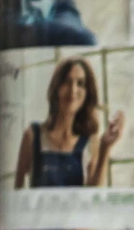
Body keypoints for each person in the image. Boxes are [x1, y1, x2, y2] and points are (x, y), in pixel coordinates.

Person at [14, 58, 124, 190]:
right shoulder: (32, 135)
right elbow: (17, 191)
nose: (73, 90)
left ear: (87, 93)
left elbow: (93, 195)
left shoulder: (89, 141)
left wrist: (105, 148)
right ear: (56, 87)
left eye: (80, 83)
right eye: (67, 82)